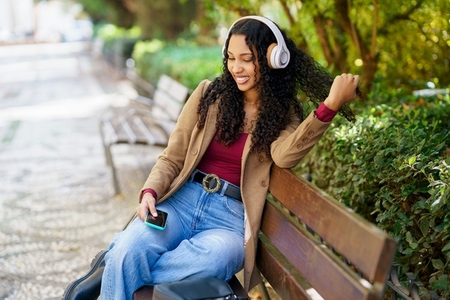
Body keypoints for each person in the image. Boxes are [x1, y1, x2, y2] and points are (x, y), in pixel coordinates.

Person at [65, 15, 361, 300]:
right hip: (181, 202)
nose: (237, 67)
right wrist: (150, 191)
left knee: (217, 259)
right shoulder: (209, 94)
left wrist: (330, 105)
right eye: (231, 58)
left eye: (247, 58)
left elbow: (285, 157)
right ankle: (121, 261)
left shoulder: (284, 114)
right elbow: (173, 155)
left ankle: (113, 267)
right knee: (131, 249)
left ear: (273, 59)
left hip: (229, 219)